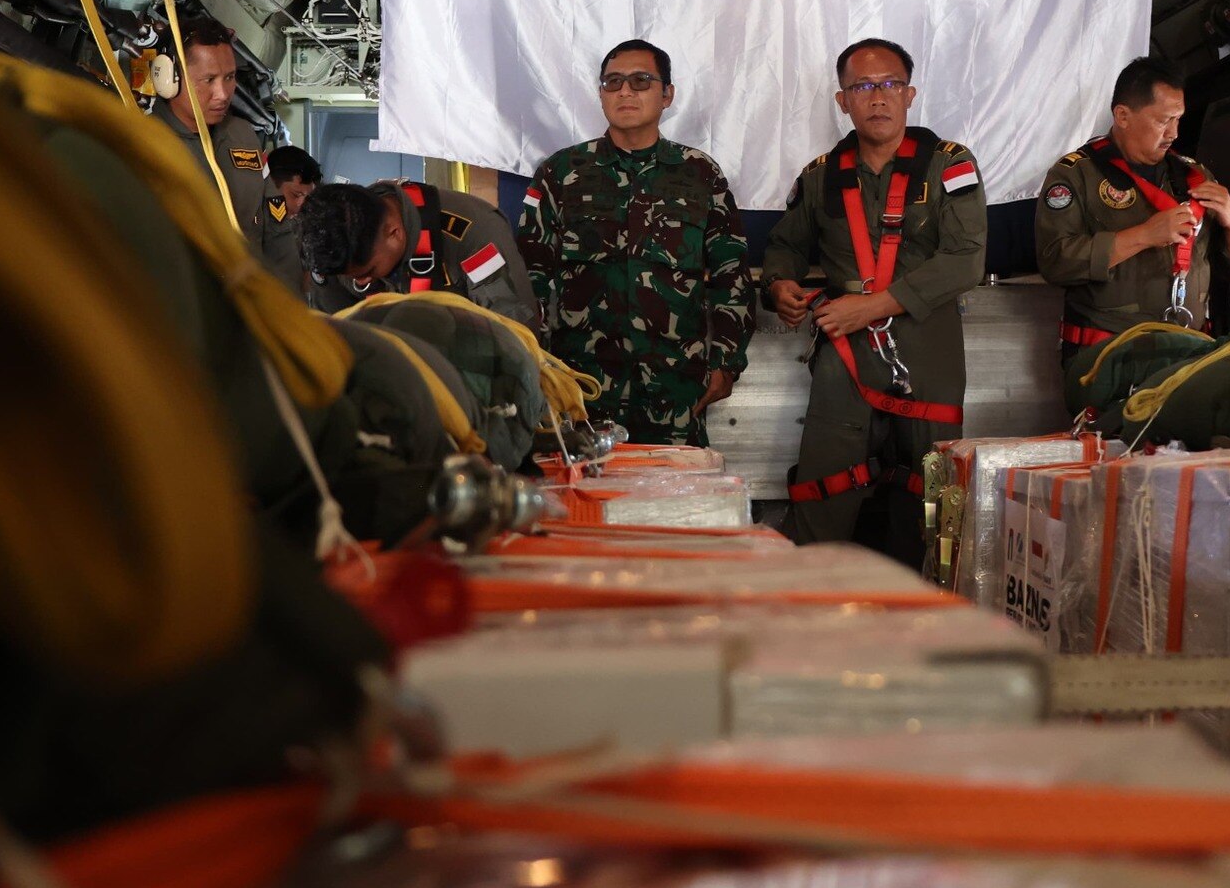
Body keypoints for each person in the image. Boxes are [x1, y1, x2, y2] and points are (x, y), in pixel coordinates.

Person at [764, 38, 986, 559]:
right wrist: (779, 286)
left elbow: (966, 260)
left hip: (927, 350)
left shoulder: (947, 165)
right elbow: (785, 245)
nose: (877, 97)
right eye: (862, 87)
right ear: (843, 101)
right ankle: (812, 611)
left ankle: (923, 608)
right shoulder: (822, 175)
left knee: (930, 495)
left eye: (889, 84)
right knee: (824, 490)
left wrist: (873, 305)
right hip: (846, 357)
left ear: (910, 95)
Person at [516, 40, 752, 447]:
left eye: (641, 80)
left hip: (675, 388)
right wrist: (536, 366)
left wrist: (726, 363)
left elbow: (731, 274)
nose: (625, 91)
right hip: (582, 389)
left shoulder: (699, 174)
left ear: (667, 94)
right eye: (613, 82)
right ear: (601, 94)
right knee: (586, 505)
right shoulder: (561, 173)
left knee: (677, 508)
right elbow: (530, 277)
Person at [1035, 56, 1230, 415]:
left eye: (1178, 119)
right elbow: (1056, 261)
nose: (1173, 133)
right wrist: (1143, 235)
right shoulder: (1077, 175)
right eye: (1162, 120)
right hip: (1108, 360)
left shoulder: (1192, 176)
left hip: (1188, 352)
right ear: (1123, 116)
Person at [298, 177, 539, 329]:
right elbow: (338, 332)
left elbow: (518, 339)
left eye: (369, 272)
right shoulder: (335, 242)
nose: (360, 282)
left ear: (394, 233)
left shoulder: (474, 236)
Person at [157, 15, 278, 260]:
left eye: (230, 78)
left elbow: (278, 231)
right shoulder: (143, 142)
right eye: (208, 80)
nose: (222, 94)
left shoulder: (243, 136)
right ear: (169, 79)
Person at [259, 145, 320, 296]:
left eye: (307, 198)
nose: (301, 207)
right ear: (271, 185)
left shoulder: (303, 225)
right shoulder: (250, 218)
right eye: (295, 195)